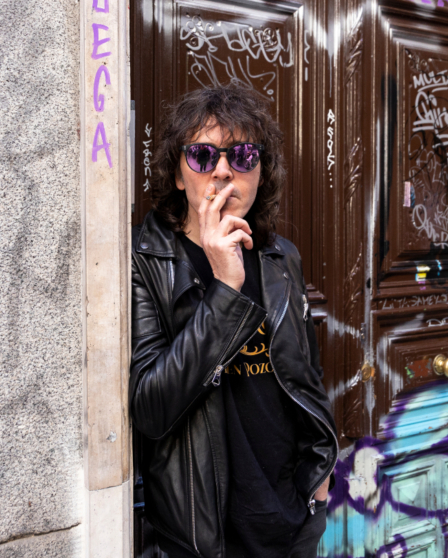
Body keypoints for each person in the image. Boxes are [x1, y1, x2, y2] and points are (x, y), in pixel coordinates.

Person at [130, 85, 339, 558]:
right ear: (179, 176)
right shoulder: (145, 262)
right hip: (203, 539)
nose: (223, 170)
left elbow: (306, 374)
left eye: (242, 155)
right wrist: (224, 289)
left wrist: (318, 485)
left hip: (290, 522)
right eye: (203, 156)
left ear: (260, 173)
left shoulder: (280, 257)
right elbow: (150, 408)